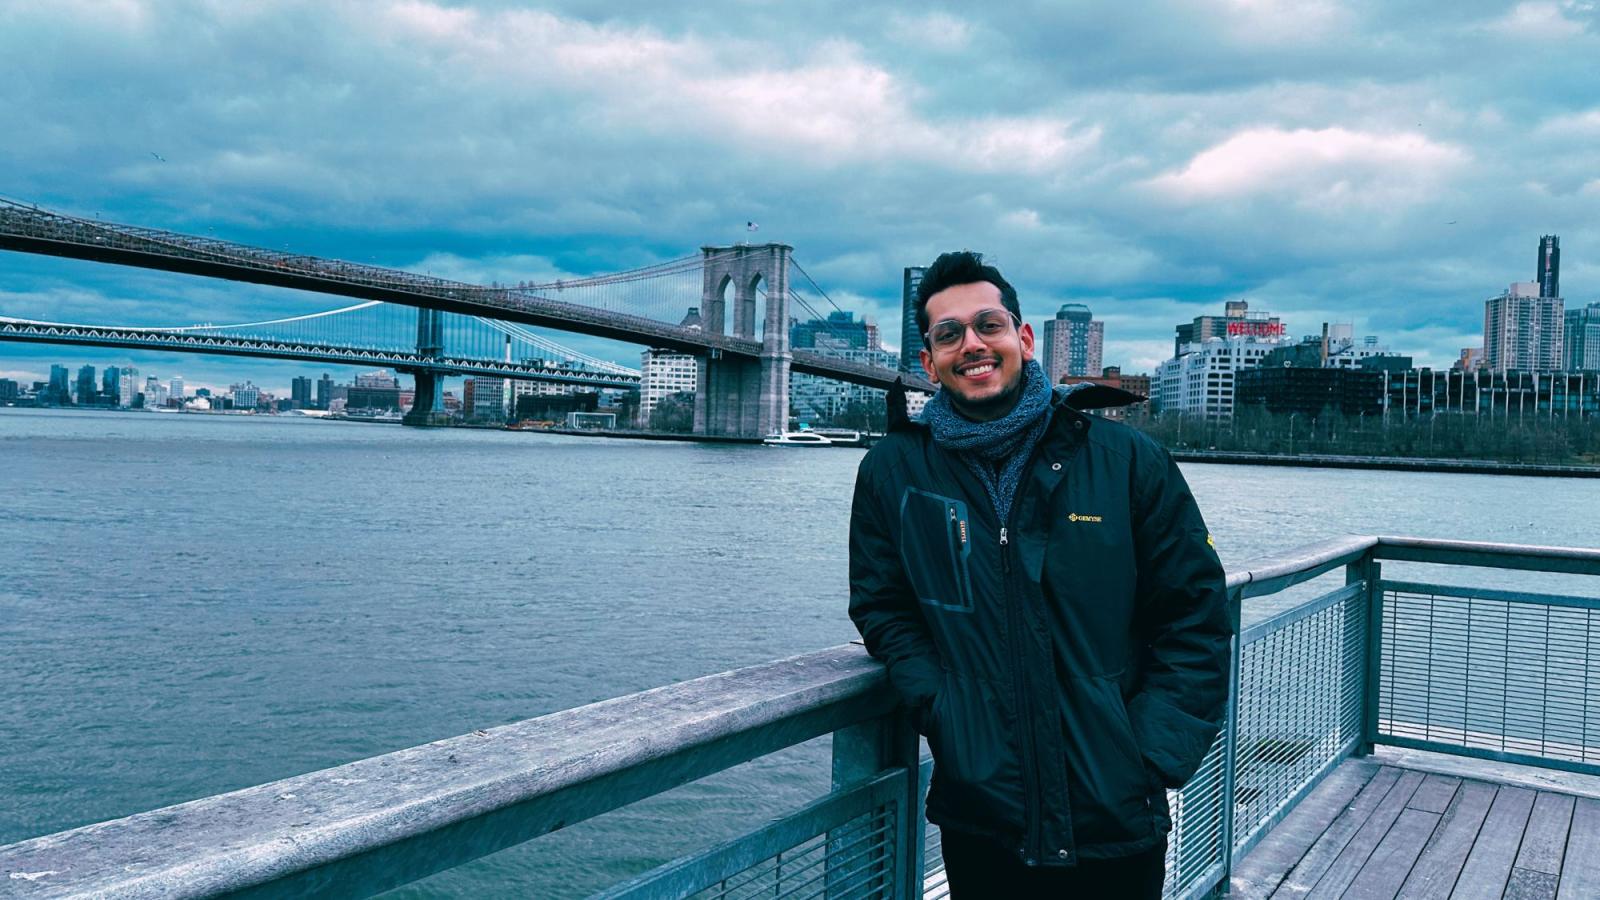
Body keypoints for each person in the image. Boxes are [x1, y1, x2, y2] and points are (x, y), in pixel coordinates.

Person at [848, 251, 1231, 898]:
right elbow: (884, 608)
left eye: (988, 325)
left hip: (1114, 816)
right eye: (948, 334)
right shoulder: (893, 472)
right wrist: (947, 713)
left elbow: (1195, 615)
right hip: (982, 815)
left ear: (1023, 339)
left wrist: (1149, 757)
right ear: (927, 362)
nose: (971, 344)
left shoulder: (1127, 460)